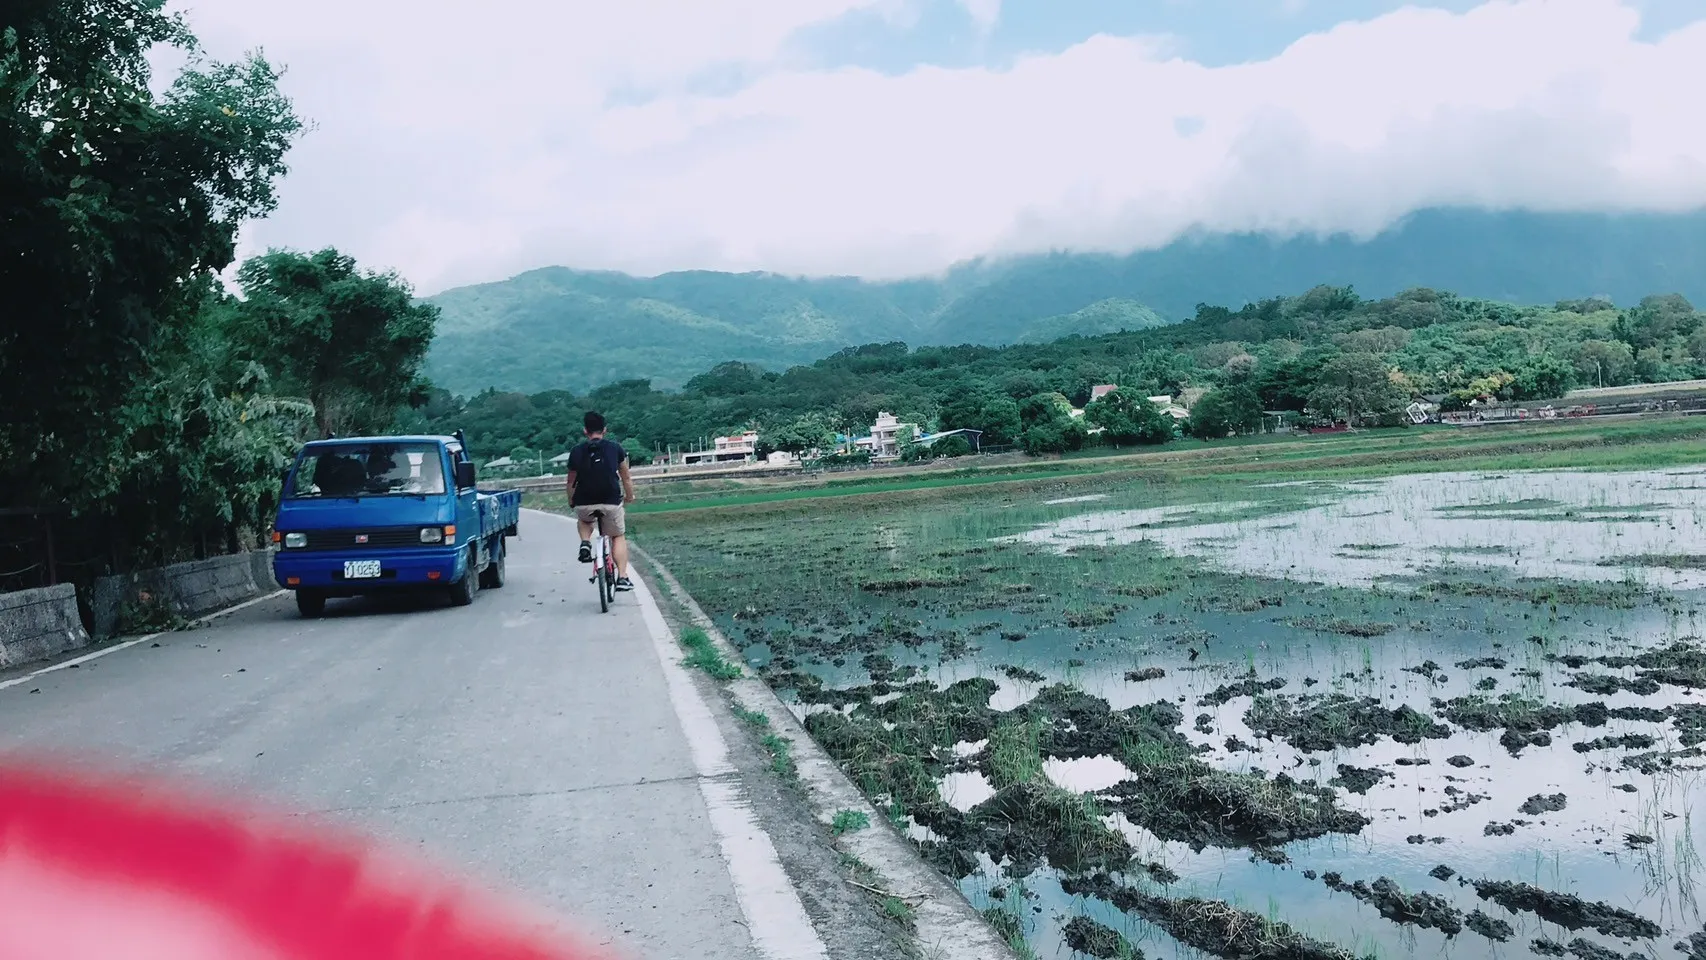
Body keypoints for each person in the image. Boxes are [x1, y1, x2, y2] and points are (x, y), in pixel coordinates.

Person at [565, 411, 636, 591]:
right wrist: (629, 496)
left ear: (585, 431)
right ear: (605, 429)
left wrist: (571, 501)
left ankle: (585, 543)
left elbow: (570, 481)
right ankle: (622, 577)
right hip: (610, 501)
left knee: (584, 519)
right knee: (617, 536)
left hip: (584, 501)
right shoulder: (615, 448)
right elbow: (625, 477)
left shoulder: (576, 451)